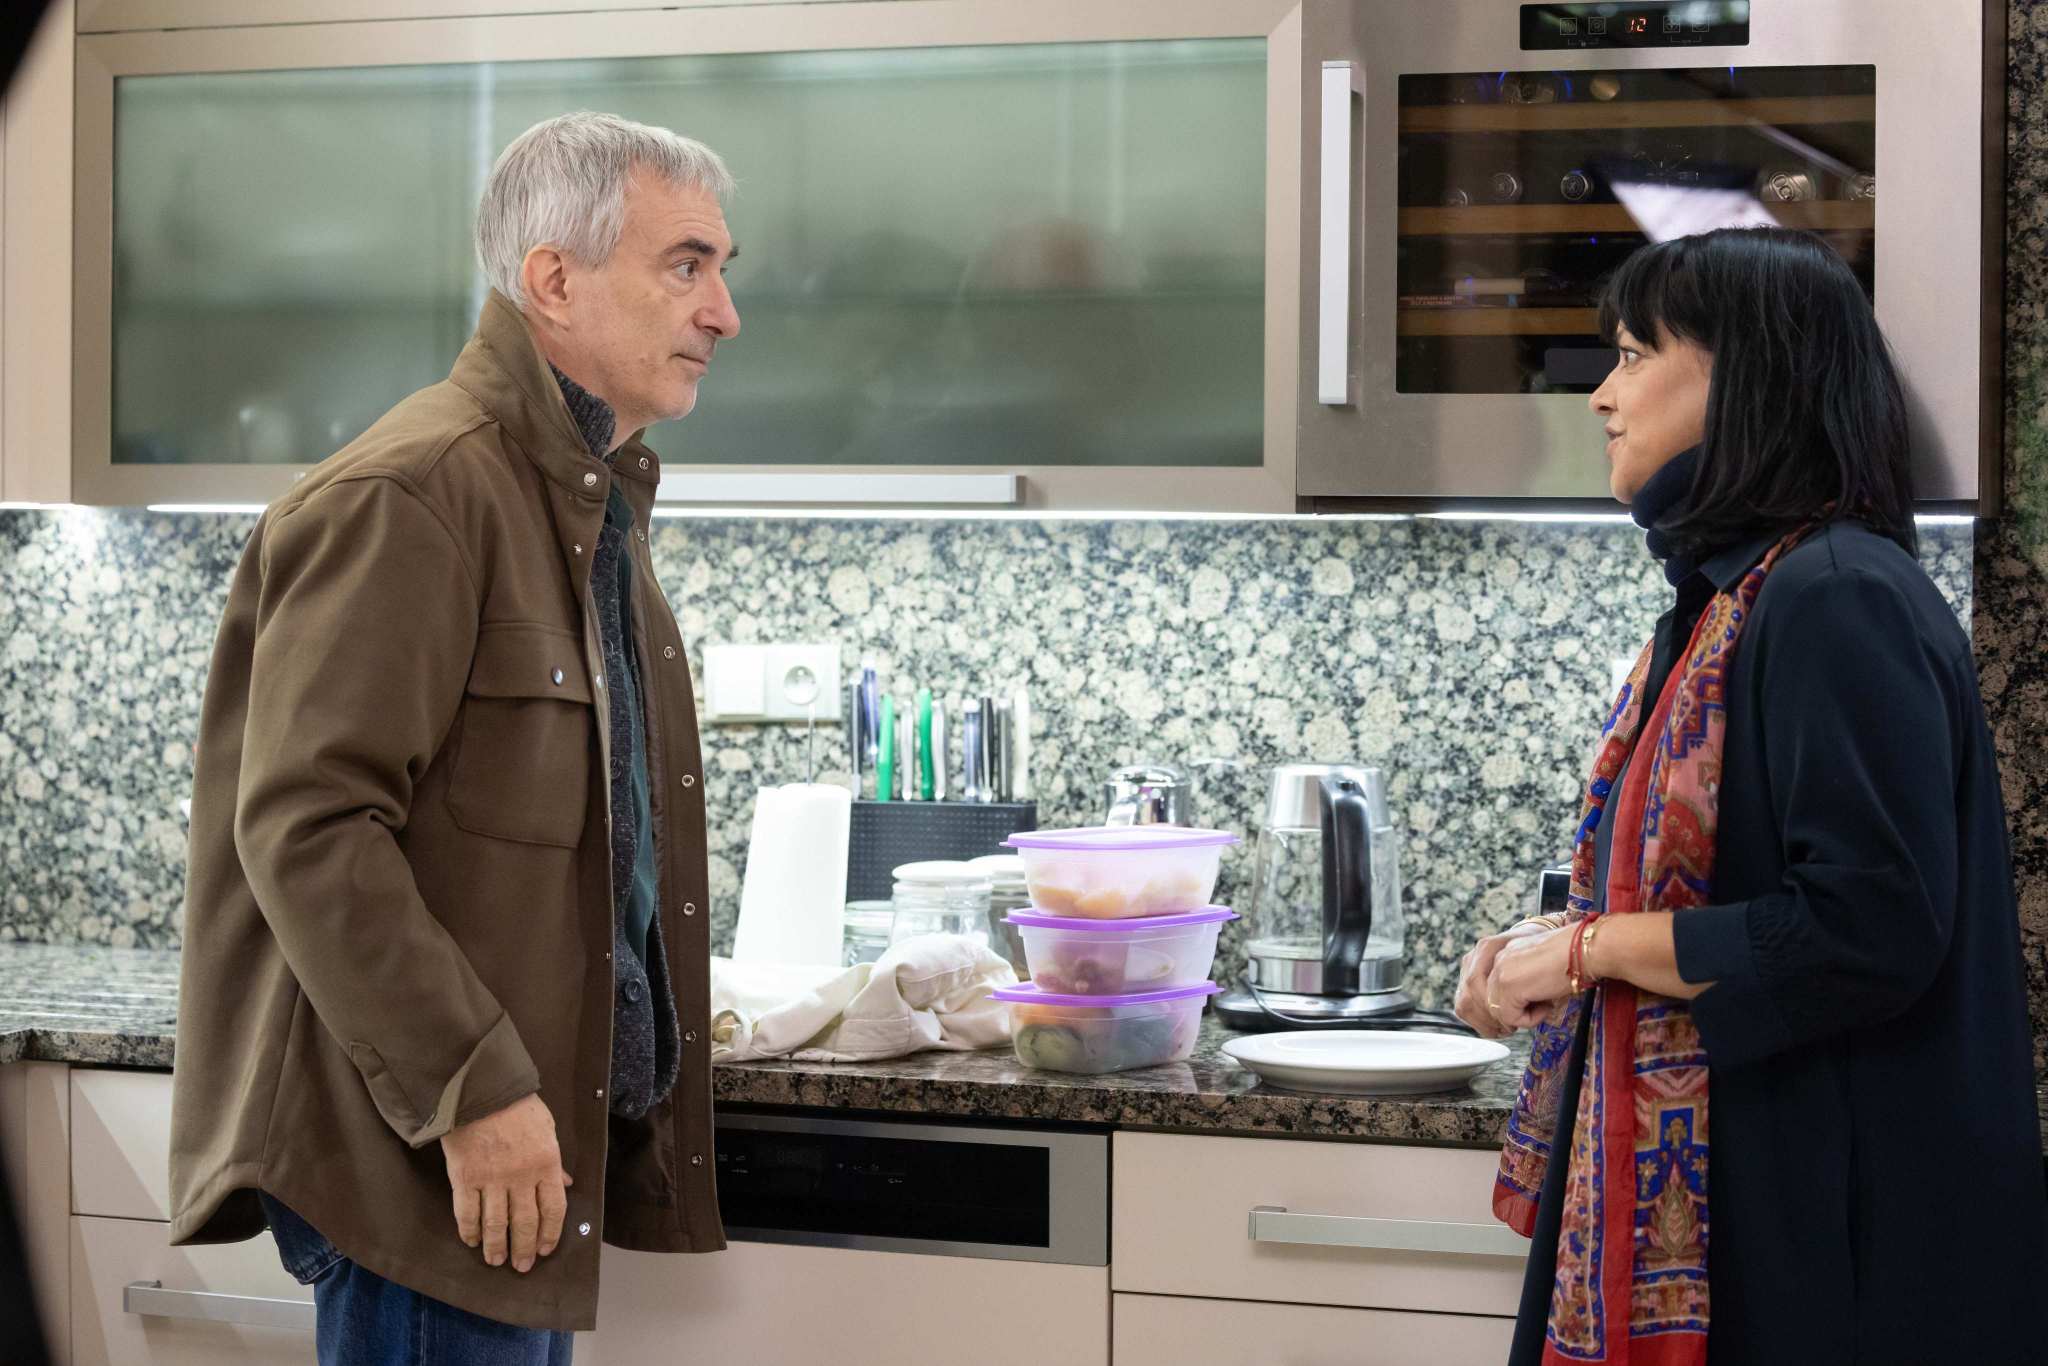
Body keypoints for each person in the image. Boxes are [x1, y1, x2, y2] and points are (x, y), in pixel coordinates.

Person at [169, 111, 742, 1362]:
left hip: (507, 1157)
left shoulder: (580, 500)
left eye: (720, 269)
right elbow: (309, 828)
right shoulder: (416, 493)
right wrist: (472, 1089)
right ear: (554, 279)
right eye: (685, 265)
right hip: (424, 1161)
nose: (722, 312)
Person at [1453, 226, 2047, 1365]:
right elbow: (1730, 887)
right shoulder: (1739, 596)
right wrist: (1553, 949)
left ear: (1744, 379)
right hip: (1778, 1204)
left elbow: (1867, 925)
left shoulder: (1835, 597)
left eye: (1634, 355)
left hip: (1833, 1241)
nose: (1600, 396)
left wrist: (1588, 951)